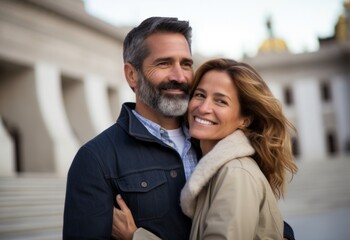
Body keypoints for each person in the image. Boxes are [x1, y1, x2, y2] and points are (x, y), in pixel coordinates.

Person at [63, 16, 296, 240]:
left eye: (186, 64)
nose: (179, 76)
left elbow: (259, 218)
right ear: (132, 75)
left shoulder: (216, 144)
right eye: (164, 63)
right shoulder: (96, 160)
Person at [112, 58, 298, 240]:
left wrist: (135, 236)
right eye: (200, 95)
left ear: (245, 119)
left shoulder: (234, 173)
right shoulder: (214, 167)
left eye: (220, 101)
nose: (204, 107)